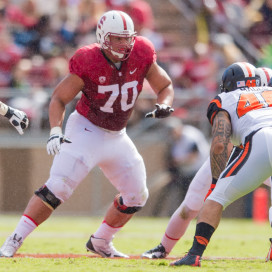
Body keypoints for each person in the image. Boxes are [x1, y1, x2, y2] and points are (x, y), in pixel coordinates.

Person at [0, 10, 174, 258]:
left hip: (117, 134)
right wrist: (55, 130)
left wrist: (164, 103)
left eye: (128, 38)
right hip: (86, 129)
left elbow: (165, 85)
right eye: (118, 38)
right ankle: (13, 240)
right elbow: (59, 98)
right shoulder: (88, 58)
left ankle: (101, 241)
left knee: (137, 195)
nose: (125, 44)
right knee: (57, 188)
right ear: (104, 37)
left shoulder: (142, 51)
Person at [142, 64, 272, 260]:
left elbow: (220, 144)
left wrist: (215, 182)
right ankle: (164, 247)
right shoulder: (266, 90)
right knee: (192, 203)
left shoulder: (226, 99)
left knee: (210, 200)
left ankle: (189, 254)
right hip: (242, 148)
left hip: (254, 144)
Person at [152, 117, 209, 217]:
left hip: (198, 169)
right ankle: (181, 215)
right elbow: (169, 156)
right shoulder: (172, 139)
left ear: (179, 128)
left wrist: (179, 161)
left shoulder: (190, 136)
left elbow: (194, 156)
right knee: (182, 195)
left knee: (194, 195)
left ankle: (197, 216)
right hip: (184, 170)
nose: (171, 133)